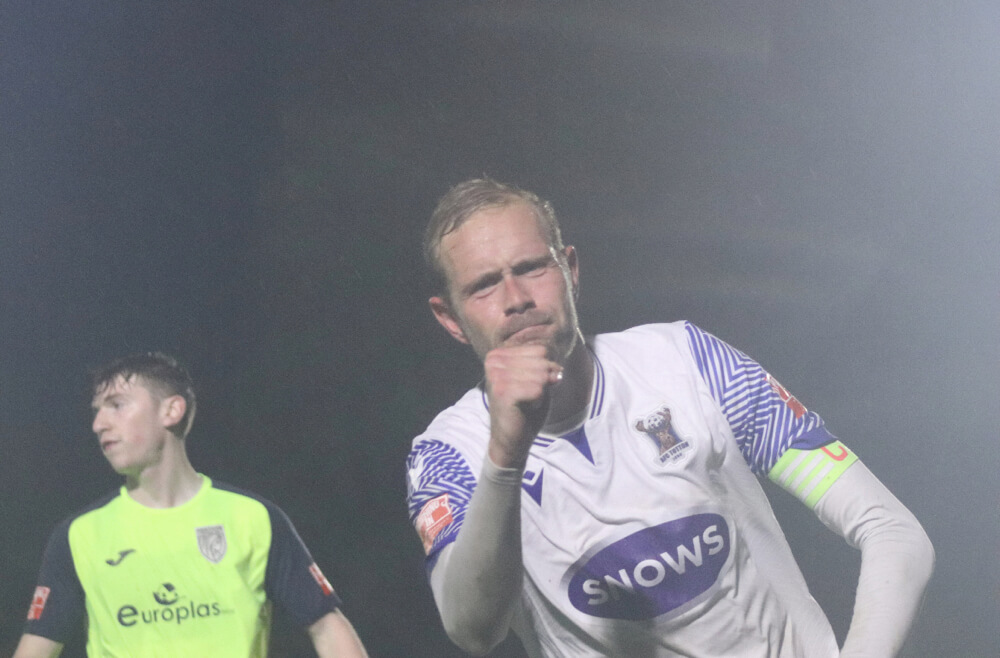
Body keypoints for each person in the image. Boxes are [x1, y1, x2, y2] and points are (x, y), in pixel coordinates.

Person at [405, 178, 934, 657]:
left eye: (531, 267)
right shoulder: (447, 454)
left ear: (570, 269)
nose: (516, 299)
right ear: (449, 318)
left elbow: (892, 530)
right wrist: (504, 456)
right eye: (483, 286)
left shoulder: (691, 363)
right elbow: (473, 631)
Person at [15, 352, 369, 658]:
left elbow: (326, 627)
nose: (98, 424)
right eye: (97, 411)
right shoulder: (79, 536)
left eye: (117, 405)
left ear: (171, 410)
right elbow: (38, 647)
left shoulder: (252, 518)